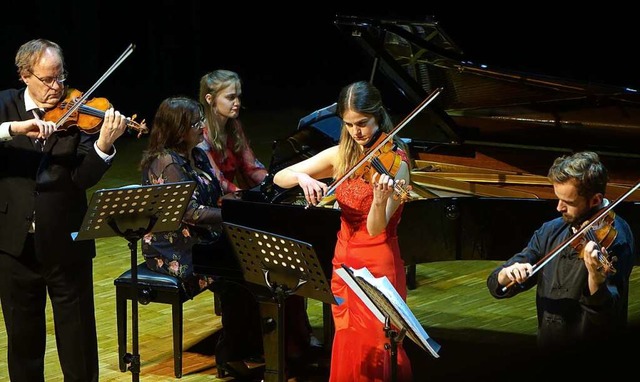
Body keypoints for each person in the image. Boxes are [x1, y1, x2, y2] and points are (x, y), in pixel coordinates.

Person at [0, 39, 128, 382]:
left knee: (78, 340)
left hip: (66, 242)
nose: (58, 88)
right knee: (23, 342)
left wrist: (103, 145)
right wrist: (14, 129)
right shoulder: (4, 106)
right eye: (48, 80)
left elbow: (81, 179)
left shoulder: (81, 109)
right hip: (14, 246)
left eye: (61, 77)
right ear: (25, 75)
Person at [273, 80, 413, 381]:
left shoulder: (396, 163)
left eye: (362, 123)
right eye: (349, 125)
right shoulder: (341, 156)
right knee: (348, 342)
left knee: (378, 345)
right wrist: (302, 178)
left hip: (379, 265)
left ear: (378, 116)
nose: (357, 132)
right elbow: (279, 178)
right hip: (343, 264)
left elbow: (375, 229)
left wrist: (379, 199)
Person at [139, 96, 264, 380]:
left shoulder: (194, 154)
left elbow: (217, 191)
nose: (201, 127)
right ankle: (229, 356)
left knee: (250, 265)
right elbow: (191, 213)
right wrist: (234, 215)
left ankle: (249, 346)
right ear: (178, 129)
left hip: (198, 237)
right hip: (171, 248)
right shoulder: (166, 162)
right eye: (196, 123)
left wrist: (244, 198)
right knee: (236, 276)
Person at [487, 151, 636, 354]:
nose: (559, 207)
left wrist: (595, 279)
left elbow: (607, 318)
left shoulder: (616, 239)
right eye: (558, 198)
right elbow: (497, 283)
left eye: (568, 202)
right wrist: (506, 274)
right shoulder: (550, 230)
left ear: (595, 200)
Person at [197, 69, 268, 193]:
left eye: (238, 97)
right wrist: (243, 197)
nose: (237, 103)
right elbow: (217, 180)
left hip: (231, 197)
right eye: (230, 97)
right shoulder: (201, 134)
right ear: (209, 99)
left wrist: (276, 181)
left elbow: (251, 168)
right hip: (211, 203)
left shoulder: (234, 127)